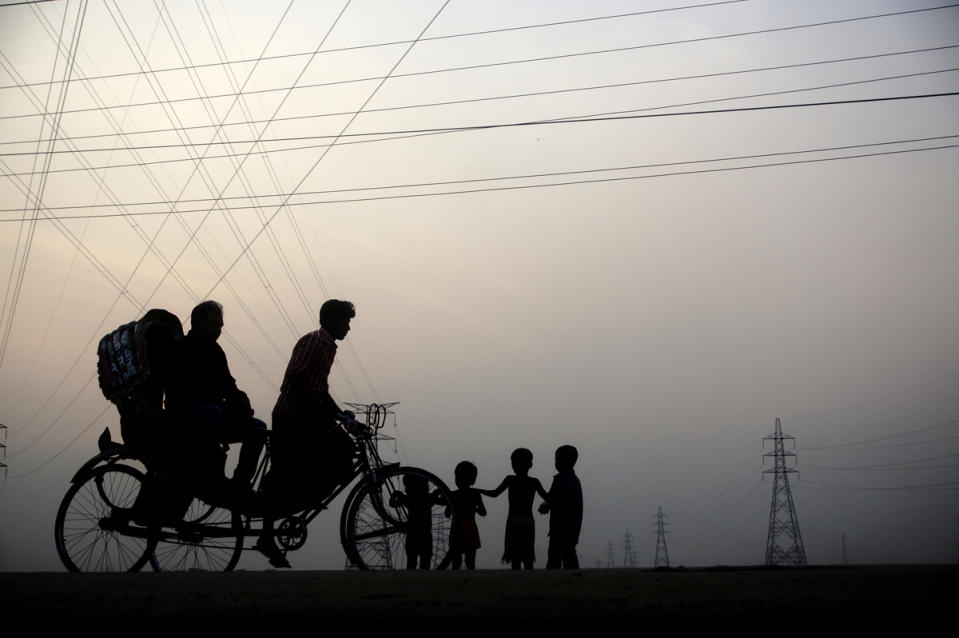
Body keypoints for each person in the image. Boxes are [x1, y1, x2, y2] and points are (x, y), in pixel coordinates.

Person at [257, 299, 357, 567]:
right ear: (332, 320)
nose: (348, 327)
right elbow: (296, 377)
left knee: (344, 452)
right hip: (292, 417)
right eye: (346, 321)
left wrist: (340, 413)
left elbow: (320, 388)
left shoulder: (328, 348)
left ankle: (306, 498)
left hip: (309, 417)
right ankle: (267, 535)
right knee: (281, 476)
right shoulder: (313, 341)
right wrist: (323, 409)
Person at [165, 301, 266, 496]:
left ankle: (240, 484)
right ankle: (212, 477)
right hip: (185, 416)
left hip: (215, 416)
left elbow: (229, 385)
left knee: (258, 428)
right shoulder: (181, 349)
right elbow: (181, 391)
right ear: (198, 323)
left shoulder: (216, 352)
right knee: (211, 412)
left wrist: (241, 401)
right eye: (213, 324)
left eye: (220, 326)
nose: (218, 330)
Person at [481, 448, 549, 570]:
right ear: (530, 464)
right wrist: (547, 503)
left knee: (515, 555)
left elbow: (495, 493)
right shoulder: (534, 482)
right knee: (528, 553)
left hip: (513, 520)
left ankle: (516, 577)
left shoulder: (510, 479)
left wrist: (478, 490)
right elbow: (548, 497)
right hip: (528, 520)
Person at [539, 445, 582, 569]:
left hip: (564, 525)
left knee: (562, 553)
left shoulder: (565, 480)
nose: (556, 462)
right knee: (562, 553)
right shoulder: (568, 479)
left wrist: (547, 504)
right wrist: (546, 504)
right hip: (565, 526)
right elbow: (552, 497)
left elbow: (555, 499)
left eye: (558, 459)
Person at [445, 461, 486, 570]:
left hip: (456, 528)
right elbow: (483, 512)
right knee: (470, 561)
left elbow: (447, 514)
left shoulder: (452, 495)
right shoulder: (475, 494)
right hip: (470, 527)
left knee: (456, 561)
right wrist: (475, 509)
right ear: (472, 479)